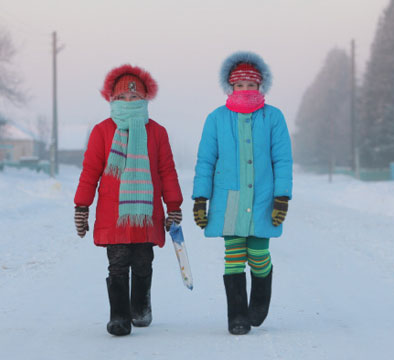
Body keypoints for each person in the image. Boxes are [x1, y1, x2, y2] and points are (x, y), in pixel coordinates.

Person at [74, 64, 183, 336]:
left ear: (145, 99)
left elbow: (167, 171)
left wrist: (174, 207)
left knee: (143, 261)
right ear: (111, 100)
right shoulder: (102, 131)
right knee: (118, 262)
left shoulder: (157, 132)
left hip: (146, 211)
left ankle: (140, 307)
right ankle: (119, 316)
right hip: (114, 212)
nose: (128, 101)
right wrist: (82, 207)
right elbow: (90, 172)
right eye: (121, 97)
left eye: (134, 97)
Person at [192, 51, 293, 335]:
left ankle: (259, 301)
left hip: (263, 198)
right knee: (234, 256)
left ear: (260, 86)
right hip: (230, 198)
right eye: (239, 85)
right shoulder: (216, 118)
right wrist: (201, 198)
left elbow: (282, 159)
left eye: (251, 85)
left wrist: (282, 195)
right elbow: (206, 161)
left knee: (258, 255)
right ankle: (237, 315)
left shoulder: (273, 117)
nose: (245, 90)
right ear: (230, 87)